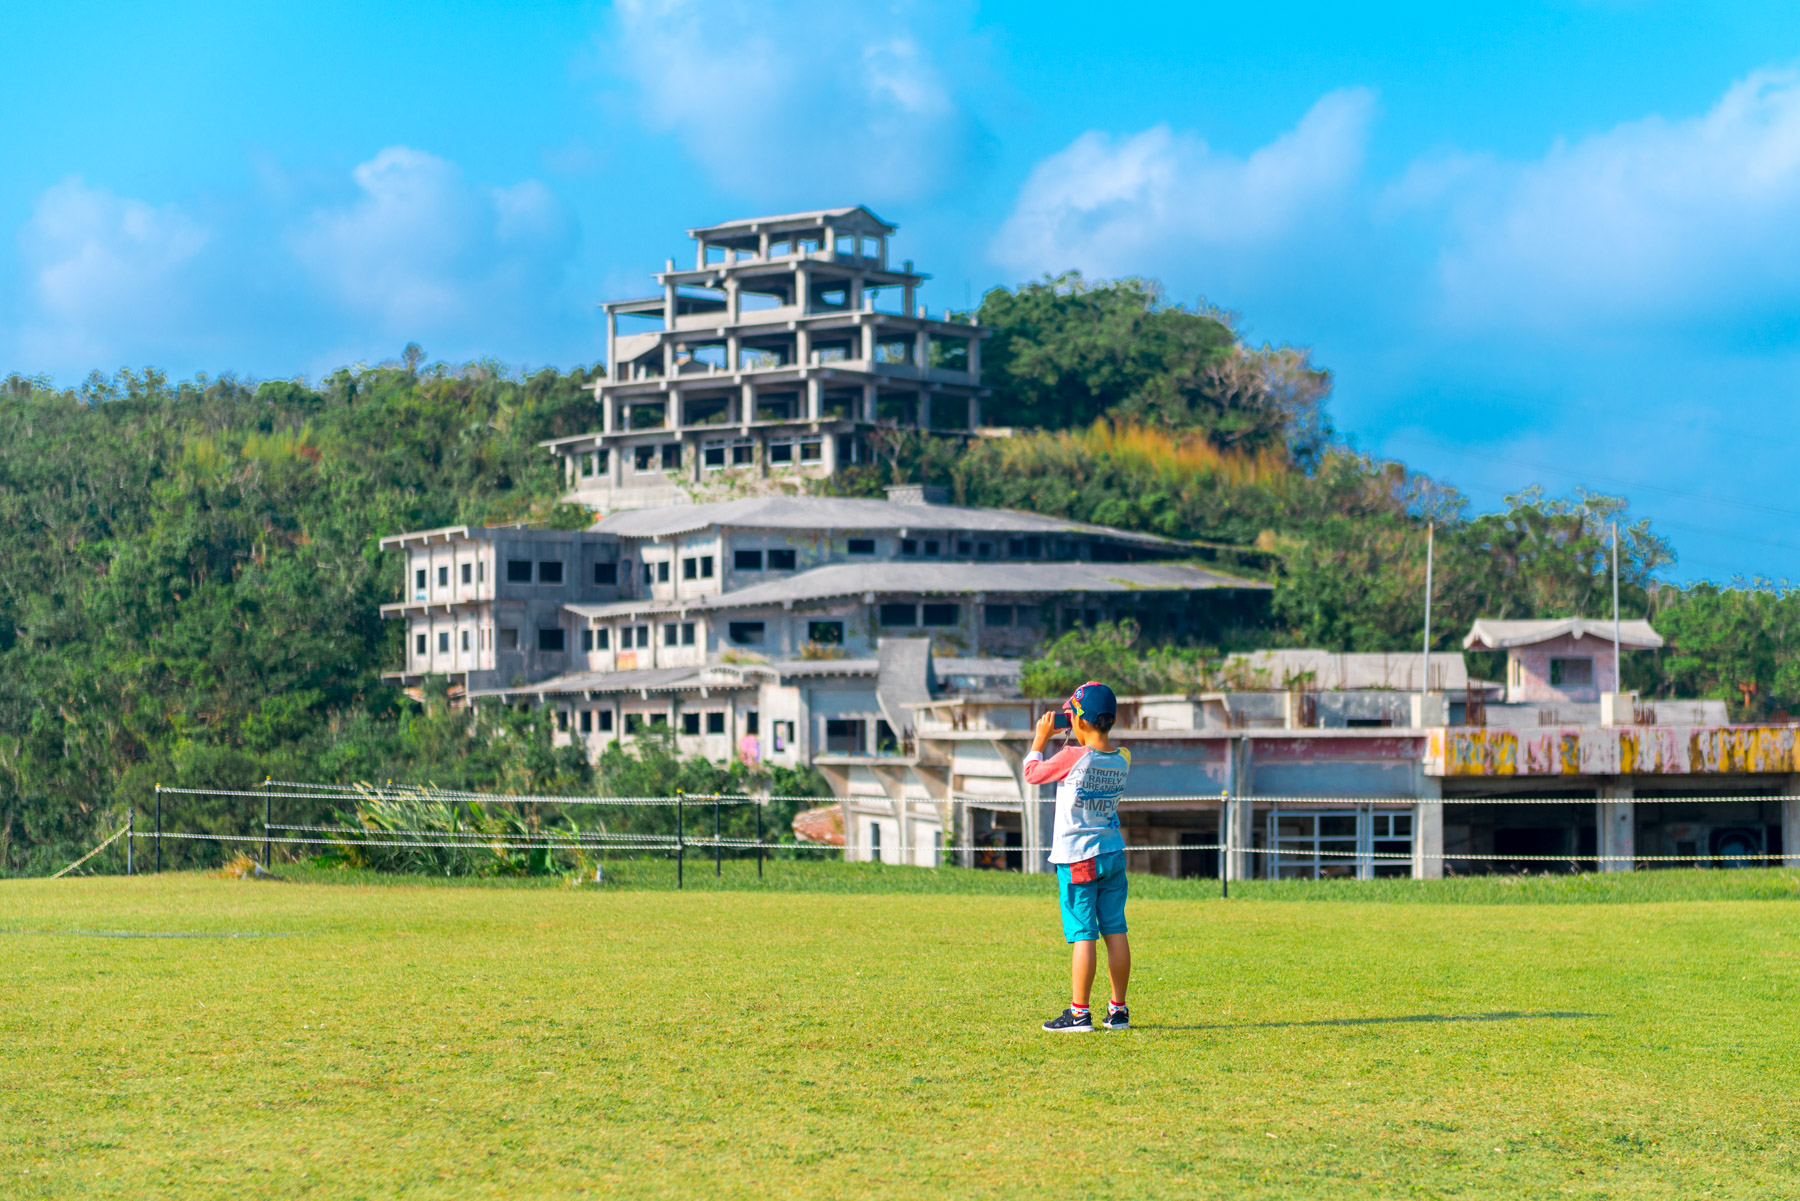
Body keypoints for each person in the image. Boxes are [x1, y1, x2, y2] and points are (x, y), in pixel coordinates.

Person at [1024, 681, 1131, 1033]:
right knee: (1115, 930)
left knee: (1084, 933)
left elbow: (1032, 774)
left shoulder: (1072, 757)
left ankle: (1079, 1013)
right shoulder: (1122, 758)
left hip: (1078, 858)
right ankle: (1118, 1010)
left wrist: (1040, 739)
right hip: (1113, 852)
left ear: (1080, 722)